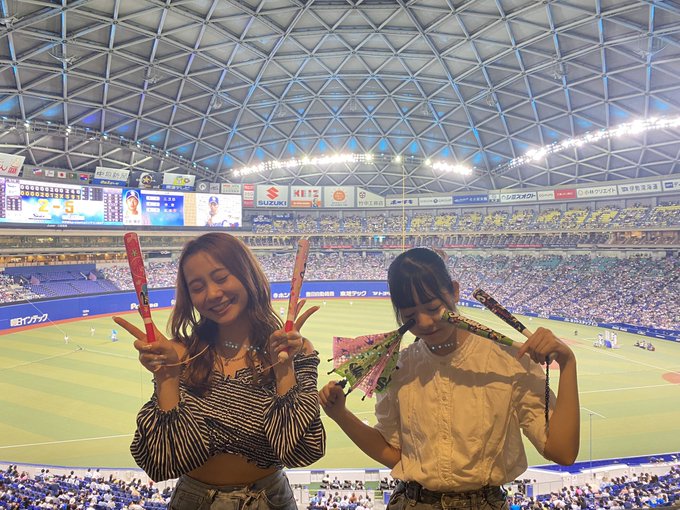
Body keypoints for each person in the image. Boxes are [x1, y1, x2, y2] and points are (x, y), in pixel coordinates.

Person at [320, 247, 579, 510]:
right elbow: (396, 455)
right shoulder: (399, 369)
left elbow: (562, 452)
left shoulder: (509, 360)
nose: (425, 322)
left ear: (454, 291)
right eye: (410, 316)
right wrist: (340, 415)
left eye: (433, 308)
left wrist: (568, 363)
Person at [113, 232, 325, 509]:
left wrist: (284, 368)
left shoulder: (297, 351)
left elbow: (301, 452)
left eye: (221, 278)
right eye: (197, 287)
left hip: (270, 501)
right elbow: (162, 463)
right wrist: (167, 378)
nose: (212, 294)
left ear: (247, 275)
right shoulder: (177, 355)